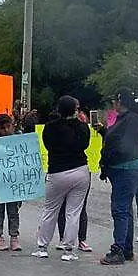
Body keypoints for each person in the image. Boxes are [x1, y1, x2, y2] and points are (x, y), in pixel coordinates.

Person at [33, 96, 91, 261]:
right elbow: (86, 144)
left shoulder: (50, 128)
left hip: (57, 171)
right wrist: (81, 123)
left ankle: (42, 247)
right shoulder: (81, 127)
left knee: (50, 210)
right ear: (75, 110)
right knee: (73, 212)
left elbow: (47, 145)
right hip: (80, 170)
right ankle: (69, 250)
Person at [96, 89, 138, 266]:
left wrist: (107, 160)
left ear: (120, 102)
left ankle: (118, 250)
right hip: (129, 169)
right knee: (126, 209)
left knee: (120, 210)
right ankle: (126, 249)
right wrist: (105, 133)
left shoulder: (131, 120)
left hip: (125, 170)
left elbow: (122, 146)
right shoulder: (130, 118)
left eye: (114, 101)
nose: (112, 104)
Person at [55, 108, 92, 253]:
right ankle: (63, 238)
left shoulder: (82, 125)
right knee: (63, 207)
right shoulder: (59, 127)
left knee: (80, 208)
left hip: (81, 168)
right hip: (65, 169)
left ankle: (81, 239)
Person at [0, 114, 22, 251]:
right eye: (3, 128)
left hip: (13, 182)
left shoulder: (19, 140)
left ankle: (14, 237)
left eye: (9, 127)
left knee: (13, 211)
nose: (7, 130)